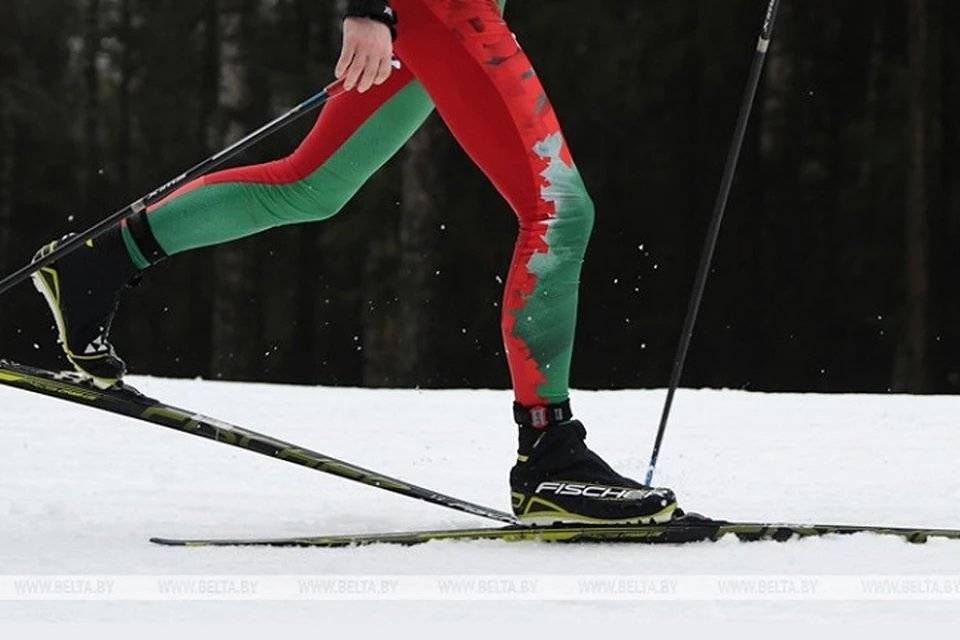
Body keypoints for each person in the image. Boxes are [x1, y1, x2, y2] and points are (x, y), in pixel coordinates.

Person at [31, 0, 679, 525]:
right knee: (559, 212)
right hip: (443, 9)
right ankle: (549, 454)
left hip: (438, 13)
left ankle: (96, 266)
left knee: (310, 185)